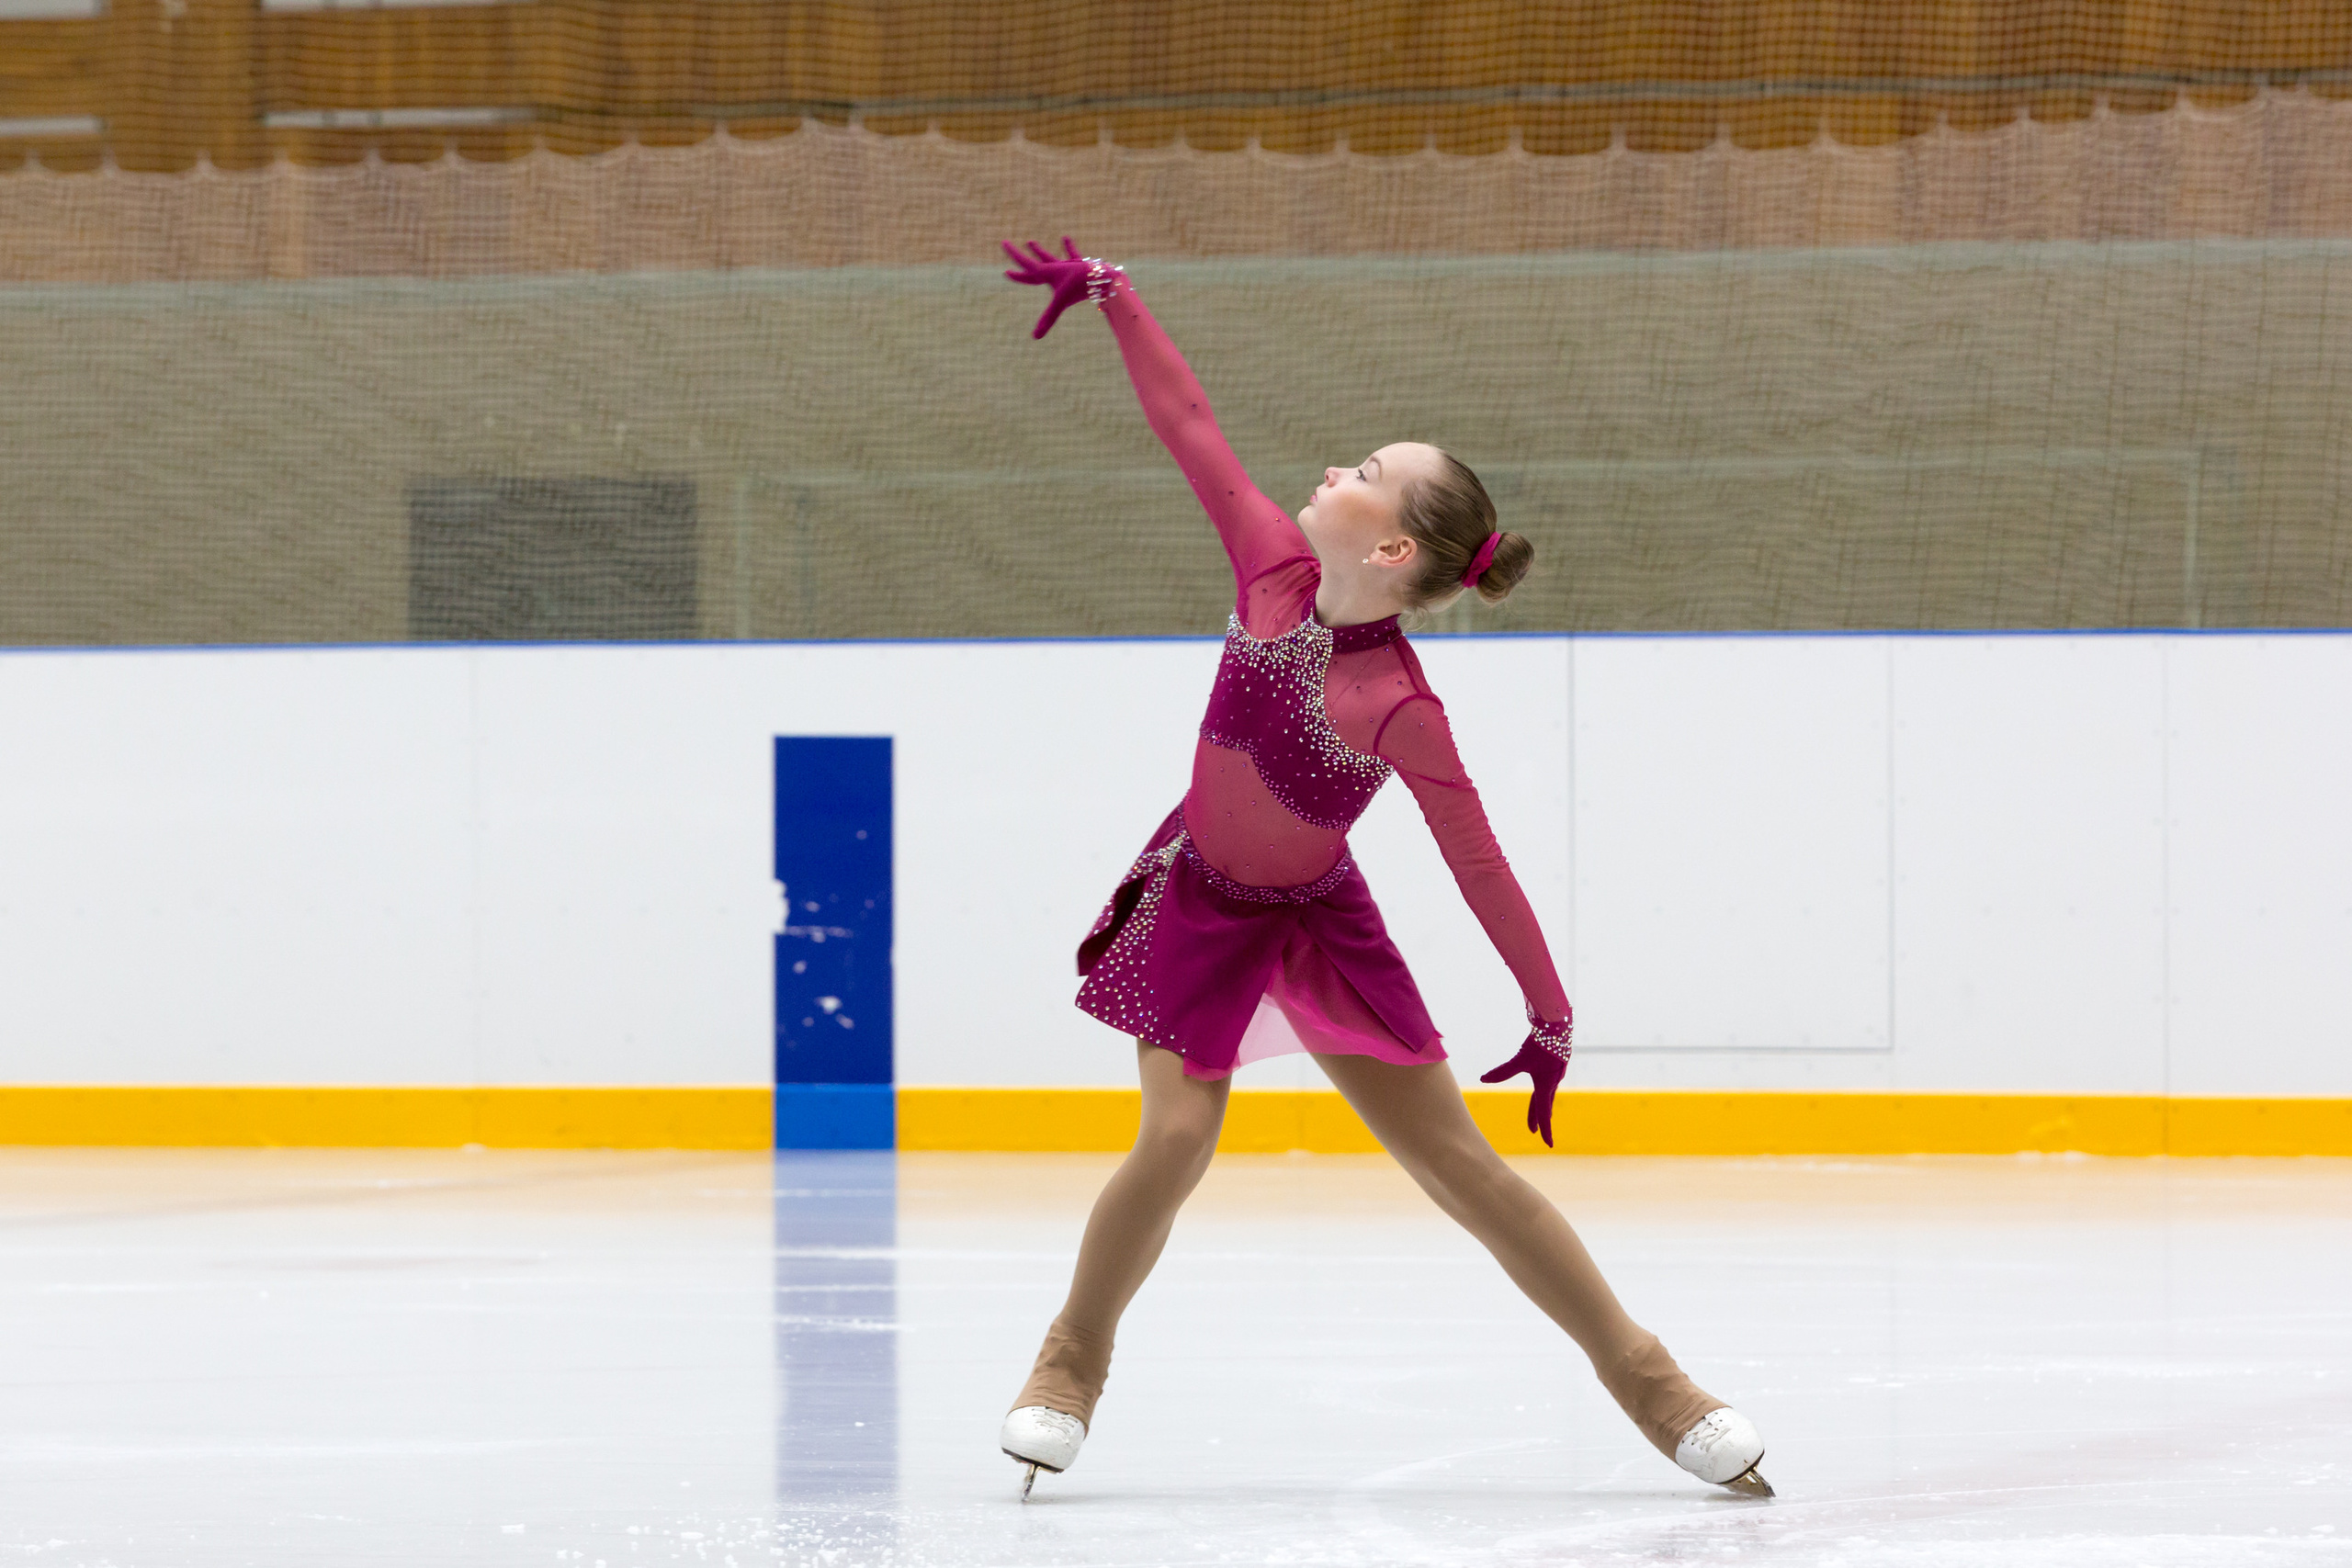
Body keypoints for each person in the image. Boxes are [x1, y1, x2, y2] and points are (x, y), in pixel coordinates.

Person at [993, 239, 1770, 1501]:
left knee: (1459, 1164)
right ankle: (1069, 1364)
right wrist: (1115, 295)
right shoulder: (1269, 573)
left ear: (1398, 550)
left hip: (1317, 922)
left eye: (1364, 473)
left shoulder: (1399, 703)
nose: (1331, 469)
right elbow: (1189, 420)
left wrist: (1550, 1011)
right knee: (1179, 1135)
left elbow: (1478, 862)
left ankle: (1655, 1384)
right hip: (1197, 904)